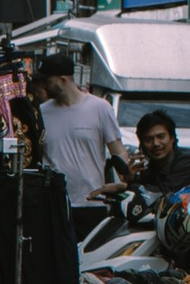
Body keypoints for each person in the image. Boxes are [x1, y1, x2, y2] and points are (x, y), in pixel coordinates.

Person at [34, 60, 130, 217]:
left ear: (63, 80)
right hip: (53, 203)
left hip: (91, 201)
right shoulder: (41, 113)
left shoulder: (100, 108)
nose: (43, 85)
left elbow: (118, 151)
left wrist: (124, 183)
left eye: (47, 80)